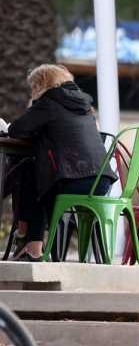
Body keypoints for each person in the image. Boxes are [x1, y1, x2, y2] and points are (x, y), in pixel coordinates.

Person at [7, 64, 116, 261]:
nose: (32, 92)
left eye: (33, 87)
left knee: (30, 174)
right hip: (101, 181)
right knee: (34, 173)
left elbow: (16, 129)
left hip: (74, 179)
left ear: (42, 84)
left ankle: (28, 242)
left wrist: (34, 105)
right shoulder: (85, 106)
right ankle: (30, 245)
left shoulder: (48, 102)